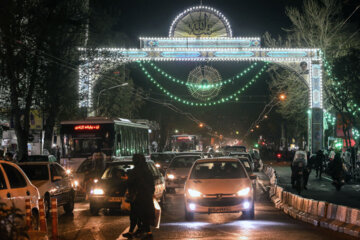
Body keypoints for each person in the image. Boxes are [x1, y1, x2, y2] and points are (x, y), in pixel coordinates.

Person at [126, 154, 155, 240]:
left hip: (137, 197)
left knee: (134, 215)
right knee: (144, 215)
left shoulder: (134, 171)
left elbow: (130, 183)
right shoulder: (147, 171)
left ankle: (134, 233)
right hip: (147, 197)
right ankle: (147, 233)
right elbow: (152, 185)